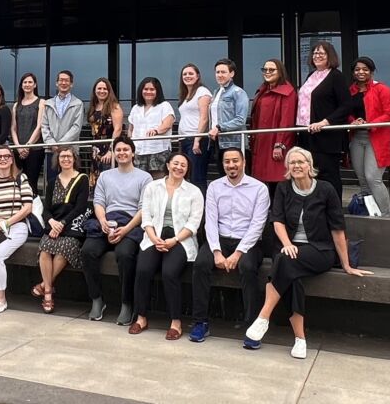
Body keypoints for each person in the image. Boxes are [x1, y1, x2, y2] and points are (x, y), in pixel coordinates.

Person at [244, 147, 370, 357]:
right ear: (287, 167)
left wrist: (346, 264)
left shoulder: (326, 189)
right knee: (292, 275)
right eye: (292, 163)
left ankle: (263, 317)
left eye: (301, 162)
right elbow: (278, 221)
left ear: (309, 165)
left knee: (285, 263)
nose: (296, 166)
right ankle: (300, 339)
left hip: (320, 250)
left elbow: (337, 229)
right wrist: (287, 243)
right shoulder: (283, 189)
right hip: (288, 248)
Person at [188, 146, 269, 342]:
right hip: (220, 239)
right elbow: (211, 221)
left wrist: (238, 253)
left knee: (248, 267)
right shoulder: (215, 186)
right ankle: (201, 322)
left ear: (243, 163)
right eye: (227, 162)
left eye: (235, 161)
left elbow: (257, 225)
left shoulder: (259, 188)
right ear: (222, 164)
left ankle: (252, 327)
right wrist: (216, 251)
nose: (231, 165)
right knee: (200, 264)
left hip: (248, 242)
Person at [132, 153, 204, 340]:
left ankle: (176, 321)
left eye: (184, 165)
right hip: (154, 236)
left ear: (187, 169)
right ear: (168, 164)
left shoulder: (194, 191)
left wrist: (174, 240)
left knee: (169, 272)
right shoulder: (152, 187)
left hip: (180, 239)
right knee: (143, 270)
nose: (179, 167)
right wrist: (153, 237)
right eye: (176, 163)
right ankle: (141, 317)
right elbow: (146, 216)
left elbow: (193, 223)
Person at [80, 136, 150, 325]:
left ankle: (127, 303)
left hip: (131, 223)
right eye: (118, 150)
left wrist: (126, 229)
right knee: (87, 251)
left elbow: (144, 208)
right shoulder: (105, 176)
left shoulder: (144, 177)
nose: (122, 153)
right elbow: (99, 202)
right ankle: (96, 299)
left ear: (133, 152)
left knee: (125, 254)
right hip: (107, 221)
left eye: (126, 149)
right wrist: (102, 221)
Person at [0, 146, 36, 313]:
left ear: (12, 159)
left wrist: (7, 222)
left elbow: (27, 207)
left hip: (16, 227)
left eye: (6, 156)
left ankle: (2, 299)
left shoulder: (20, 178)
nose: (3, 159)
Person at [33, 146, 91, 313]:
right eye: (62, 157)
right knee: (45, 249)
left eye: (69, 156)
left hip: (71, 226)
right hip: (53, 225)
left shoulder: (82, 179)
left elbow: (79, 207)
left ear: (74, 159)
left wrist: (62, 224)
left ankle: (45, 286)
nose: (66, 159)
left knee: (63, 250)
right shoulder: (52, 182)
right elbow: (46, 208)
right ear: (57, 160)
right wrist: (52, 222)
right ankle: (49, 293)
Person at [297, 41, 354, 200]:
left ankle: (334, 211)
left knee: (329, 176)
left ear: (330, 56)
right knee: (311, 174)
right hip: (306, 134)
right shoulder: (311, 75)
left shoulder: (336, 76)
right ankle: (316, 208)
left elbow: (346, 105)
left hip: (326, 136)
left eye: (321, 53)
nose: (317, 56)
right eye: (315, 53)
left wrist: (325, 122)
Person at [349, 57, 390, 216]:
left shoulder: (382, 89)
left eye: (365, 69)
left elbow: (388, 114)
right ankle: (370, 213)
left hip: (377, 137)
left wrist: (369, 123)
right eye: (357, 69)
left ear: (371, 71)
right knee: (363, 180)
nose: (361, 72)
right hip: (357, 137)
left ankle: (387, 215)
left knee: (373, 178)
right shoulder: (350, 90)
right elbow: (346, 112)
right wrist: (353, 121)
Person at [249, 60, 297, 183]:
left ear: (280, 72)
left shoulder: (288, 91)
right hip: (261, 142)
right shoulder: (263, 90)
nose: (267, 72)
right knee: (260, 181)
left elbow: (286, 120)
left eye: (272, 70)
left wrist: (279, 144)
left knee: (278, 179)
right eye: (265, 70)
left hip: (275, 142)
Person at [207, 59, 250, 185]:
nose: (219, 75)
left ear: (232, 74)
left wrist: (220, 127)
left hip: (233, 143)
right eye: (217, 72)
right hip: (218, 142)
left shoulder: (238, 92)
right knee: (223, 179)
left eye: (223, 72)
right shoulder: (216, 92)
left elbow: (241, 119)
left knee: (238, 178)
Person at [176, 64, 214, 188]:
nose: (187, 76)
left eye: (191, 73)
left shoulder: (202, 92)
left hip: (197, 139)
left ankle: (202, 207)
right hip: (185, 140)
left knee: (197, 176)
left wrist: (197, 140)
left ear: (197, 76)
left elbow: (204, 118)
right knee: (187, 176)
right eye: (185, 74)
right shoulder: (186, 94)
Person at [129, 77, 175, 176]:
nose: (148, 92)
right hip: (139, 151)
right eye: (145, 89)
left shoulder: (164, 105)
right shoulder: (135, 108)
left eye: (152, 89)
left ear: (157, 91)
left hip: (158, 151)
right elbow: (131, 129)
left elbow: (168, 124)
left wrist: (156, 131)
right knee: (140, 181)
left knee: (158, 182)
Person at [10, 73, 47, 193]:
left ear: (35, 85)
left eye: (30, 82)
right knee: (18, 182)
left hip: (35, 150)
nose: (27, 84)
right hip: (18, 150)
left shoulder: (41, 102)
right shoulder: (16, 105)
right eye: (25, 82)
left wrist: (27, 146)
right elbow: (13, 128)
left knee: (31, 182)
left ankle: (33, 210)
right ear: (21, 85)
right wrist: (18, 146)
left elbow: (39, 126)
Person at [87, 78, 125, 173]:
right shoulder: (93, 107)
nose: (102, 91)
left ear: (109, 91)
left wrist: (111, 151)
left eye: (105, 89)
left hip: (108, 148)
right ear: (95, 90)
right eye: (99, 88)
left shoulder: (114, 106)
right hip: (95, 149)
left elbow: (118, 129)